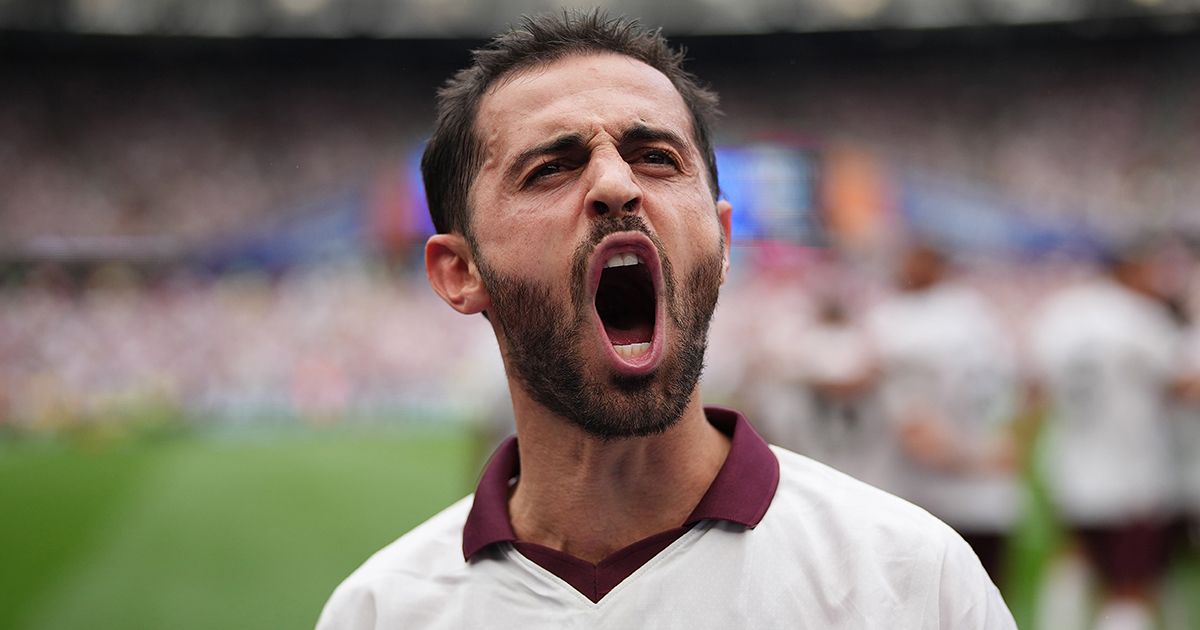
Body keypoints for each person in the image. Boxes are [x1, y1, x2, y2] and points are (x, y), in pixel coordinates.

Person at [317, 12, 1014, 629]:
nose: (617, 186)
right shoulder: (381, 611)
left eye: (656, 158)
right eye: (550, 169)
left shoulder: (914, 584)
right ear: (459, 273)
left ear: (721, 239)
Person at [1028, 244, 1186, 630]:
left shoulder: (1062, 314)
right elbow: (1179, 381)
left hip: (1069, 460)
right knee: (1130, 583)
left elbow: (1035, 385)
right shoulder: (1140, 318)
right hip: (1130, 469)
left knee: (1074, 558)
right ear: (1131, 268)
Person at [864, 242, 1025, 585]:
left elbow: (918, 434)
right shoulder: (980, 315)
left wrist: (973, 458)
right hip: (988, 495)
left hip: (928, 501)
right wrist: (988, 458)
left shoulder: (900, 323)